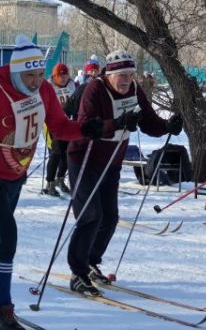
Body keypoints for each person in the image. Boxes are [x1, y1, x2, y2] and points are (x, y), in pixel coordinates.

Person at [0, 35, 104, 330]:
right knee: (6, 233)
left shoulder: (44, 89)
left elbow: (57, 127)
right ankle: (3, 311)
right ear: (16, 71)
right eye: (29, 75)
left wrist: (83, 128)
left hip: (16, 174)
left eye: (39, 74)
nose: (35, 81)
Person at [66, 50, 183, 295]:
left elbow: (148, 121)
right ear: (109, 73)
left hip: (111, 162)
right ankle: (77, 273)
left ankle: (90, 262)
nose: (126, 80)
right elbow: (87, 126)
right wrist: (117, 124)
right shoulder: (94, 90)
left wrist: (166, 126)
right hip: (84, 159)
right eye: (121, 75)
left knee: (109, 217)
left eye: (130, 74)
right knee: (90, 216)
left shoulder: (134, 90)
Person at [43, 62, 75, 196]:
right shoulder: (48, 86)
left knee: (67, 154)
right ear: (55, 76)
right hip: (52, 125)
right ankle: (50, 183)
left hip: (68, 123)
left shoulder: (72, 85)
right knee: (55, 154)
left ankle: (60, 179)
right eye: (60, 76)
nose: (63, 78)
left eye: (65, 75)